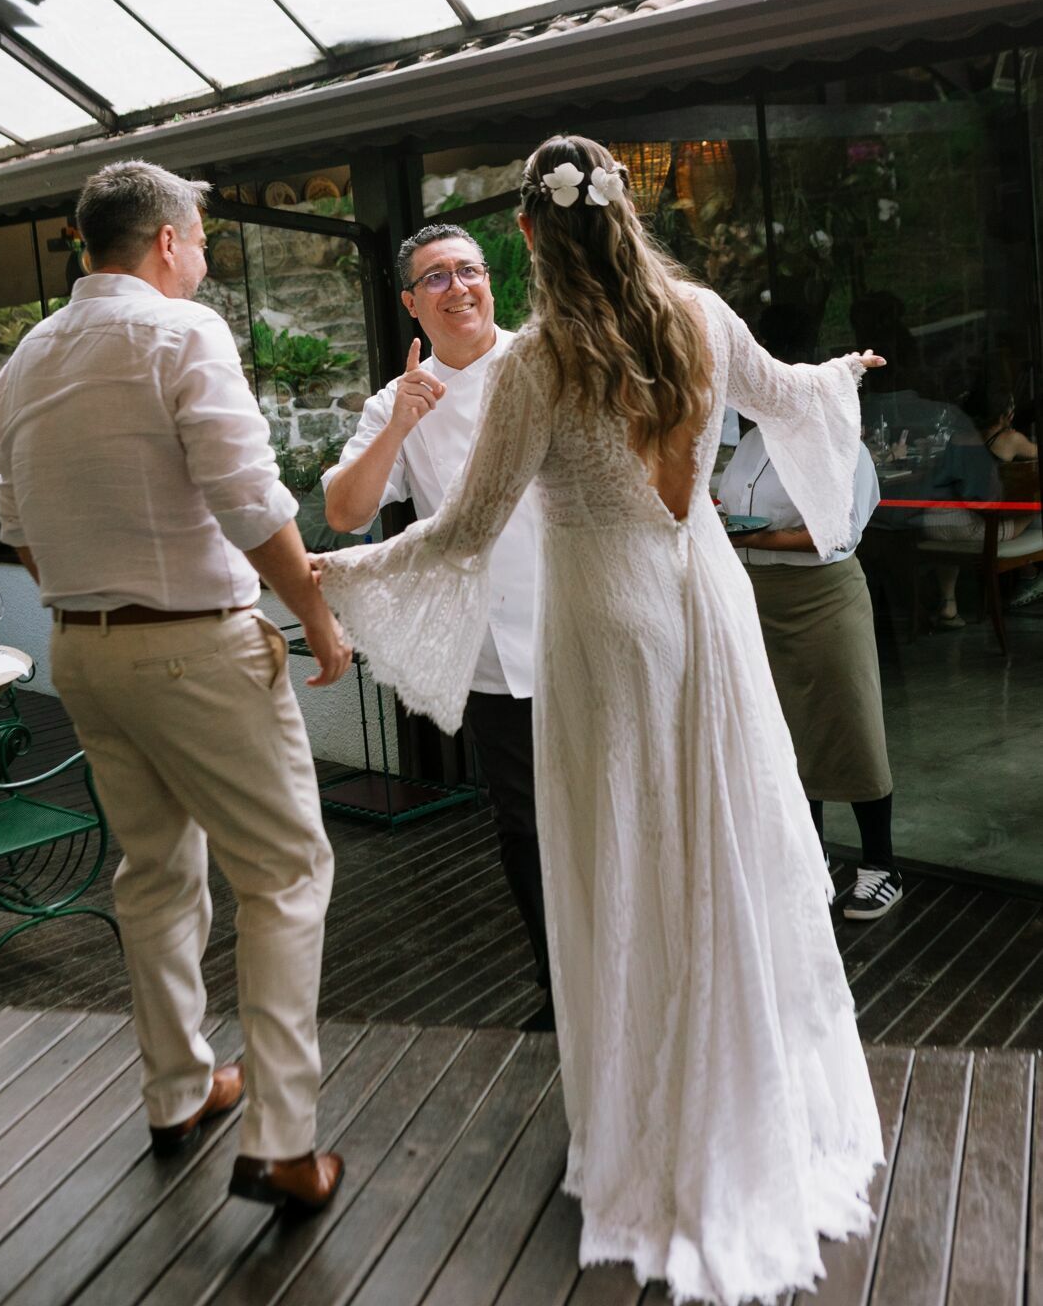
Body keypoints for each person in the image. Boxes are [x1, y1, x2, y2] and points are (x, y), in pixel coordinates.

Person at [315, 134, 885, 1305]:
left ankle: (650, 1111)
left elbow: (464, 532)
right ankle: (749, 1090)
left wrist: (342, 573)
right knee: (726, 840)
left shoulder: (537, 362)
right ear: (628, 215)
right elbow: (791, 395)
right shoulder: (701, 316)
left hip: (600, 628)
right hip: (704, 606)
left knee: (623, 861)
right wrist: (844, 375)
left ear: (527, 237)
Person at [0, 160, 351, 1214]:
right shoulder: (180, 332)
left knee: (153, 872)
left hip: (83, 650)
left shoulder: (23, 362)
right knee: (284, 874)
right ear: (165, 242)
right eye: (196, 238)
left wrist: (97, 606)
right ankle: (284, 1142)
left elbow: (20, 525)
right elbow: (245, 491)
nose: (199, 255)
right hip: (194, 648)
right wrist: (315, 612)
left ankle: (180, 1091)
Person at [323, 222, 552, 1029]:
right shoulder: (398, 399)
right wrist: (399, 424)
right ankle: (559, 987)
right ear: (410, 304)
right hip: (492, 655)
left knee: (614, 803)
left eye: (468, 271)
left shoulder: (544, 360)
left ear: (491, 283)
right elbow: (345, 511)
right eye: (436, 278)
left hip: (580, 629)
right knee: (524, 825)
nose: (457, 287)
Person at [719, 304, 902, 920]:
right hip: (758, 598)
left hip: (825, 598)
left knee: (849, 725)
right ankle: (813, 856)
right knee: (786, 734)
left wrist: (753, 539)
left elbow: (839, 536)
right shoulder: (746, 442)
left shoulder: (836, 442)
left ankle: (882, 865)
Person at [919, 372, 1040, 627]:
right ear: (1003, 413)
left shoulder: (956, 439)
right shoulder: (1010, 439)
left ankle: (949, 604)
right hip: (976, 530)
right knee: (1033, 510)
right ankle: (1032, 573)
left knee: (960, 522)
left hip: (933, 523)